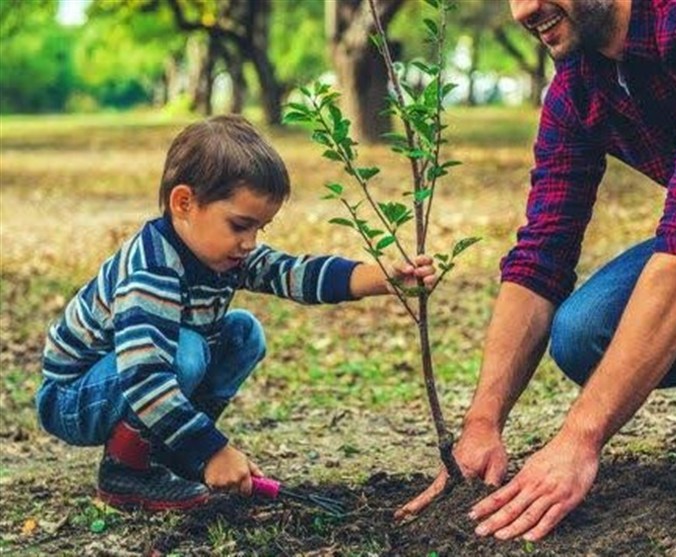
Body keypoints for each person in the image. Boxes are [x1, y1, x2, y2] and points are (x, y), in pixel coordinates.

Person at [398, 0, 676, 542]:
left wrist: (578, 440)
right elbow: (542, 255)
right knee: (587, 332)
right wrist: (482, 424)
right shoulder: (582, 85)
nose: (523, 10)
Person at [35, 115, 436, 511]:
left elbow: (292, 272)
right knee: (186, 351)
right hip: (74, 398)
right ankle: (127, 471)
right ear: (184, 203)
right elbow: (143, 378)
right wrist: (213, 451)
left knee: (243, 333)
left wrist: (380, 278)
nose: (250, 243)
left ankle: (172, 450)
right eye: (240, 225)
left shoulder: (222, 253)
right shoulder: (152, 271)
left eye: (260, 228)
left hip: (132, 381)